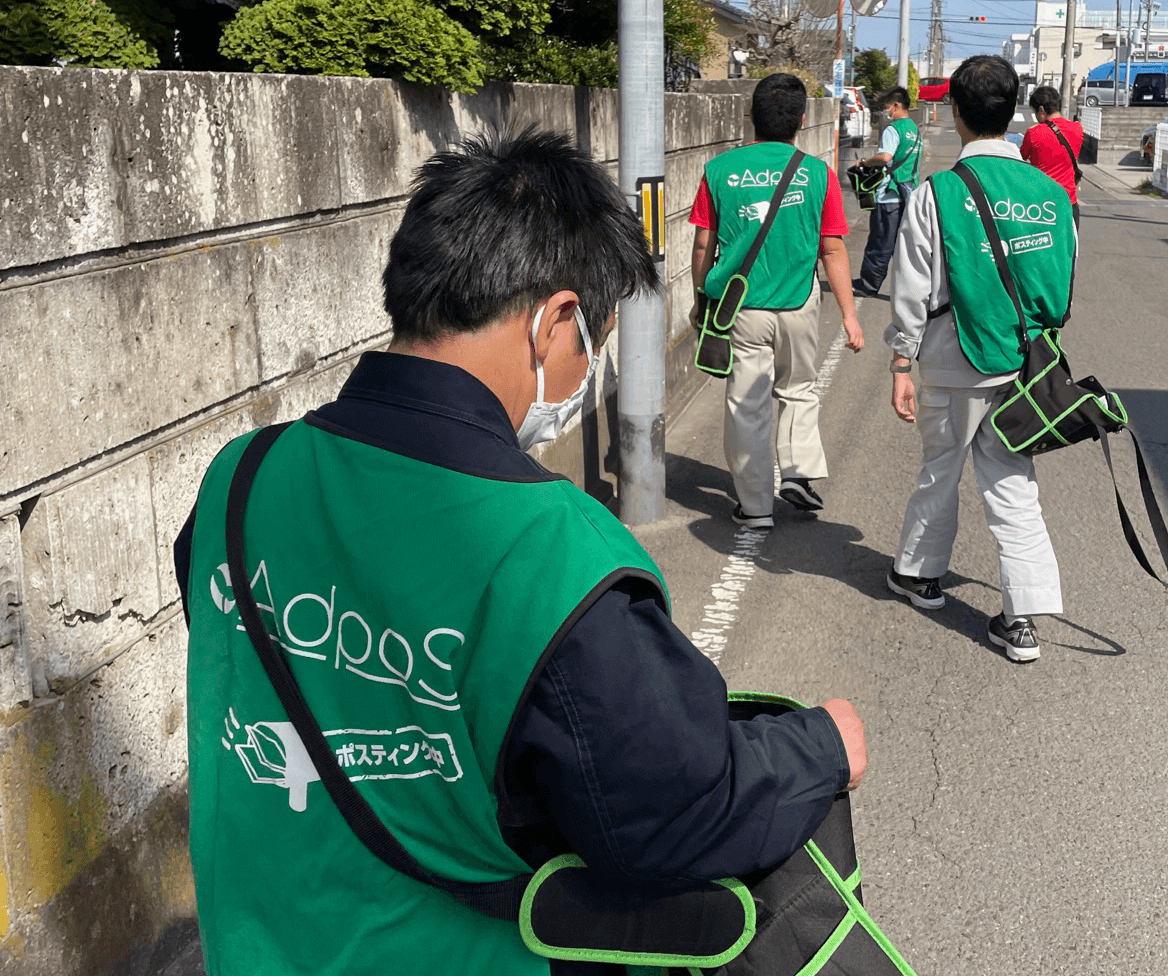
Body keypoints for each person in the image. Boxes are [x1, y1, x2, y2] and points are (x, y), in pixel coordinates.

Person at [177, 127, 868, 975]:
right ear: (555, 321)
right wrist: (822, 747)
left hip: (252, 946)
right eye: (591, 345)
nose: (584, 373)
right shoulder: (555, 555)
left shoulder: (240, 479)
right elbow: (675, 814)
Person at [882, 56, 1078, 664]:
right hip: (1025, 364)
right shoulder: (1051, 193)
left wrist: (899, 364)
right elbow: (1063, 287)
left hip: (951, 359)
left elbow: (912, 288)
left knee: (942, 468)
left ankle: (921, 575)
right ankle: (1022, 619)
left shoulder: (937, 193)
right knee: (1014, 484)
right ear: (1014, 110)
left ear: (957, 114)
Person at [689, 73, 864, 529]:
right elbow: (833, 250)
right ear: (802, 120)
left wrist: (700, 298)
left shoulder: (719, 170)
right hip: (799, 301)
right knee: (799, 389)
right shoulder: (817, 173)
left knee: (747, 402)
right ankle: (799, 473)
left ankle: (755, 507)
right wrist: (849, 315)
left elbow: (703, 245)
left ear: (752, 117)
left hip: (741, 307)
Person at [851, 86, 922, 297]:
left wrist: (864, 162)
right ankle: (910, 291)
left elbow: (885, 157)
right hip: (908, 194)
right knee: (903, 248)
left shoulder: (894, 129)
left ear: (896, 105)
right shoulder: (915, 130)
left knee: (880, 243)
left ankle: (868, 285)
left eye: (887, 107)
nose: (886, 111)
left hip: (888, 195)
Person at [1019, 84, 1084, 224]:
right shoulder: (1078, 129)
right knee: (1070, 245)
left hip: (1042, 206)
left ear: (1041, 110)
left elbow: (1022, 157)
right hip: (1069, 204)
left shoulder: (1033, 133)